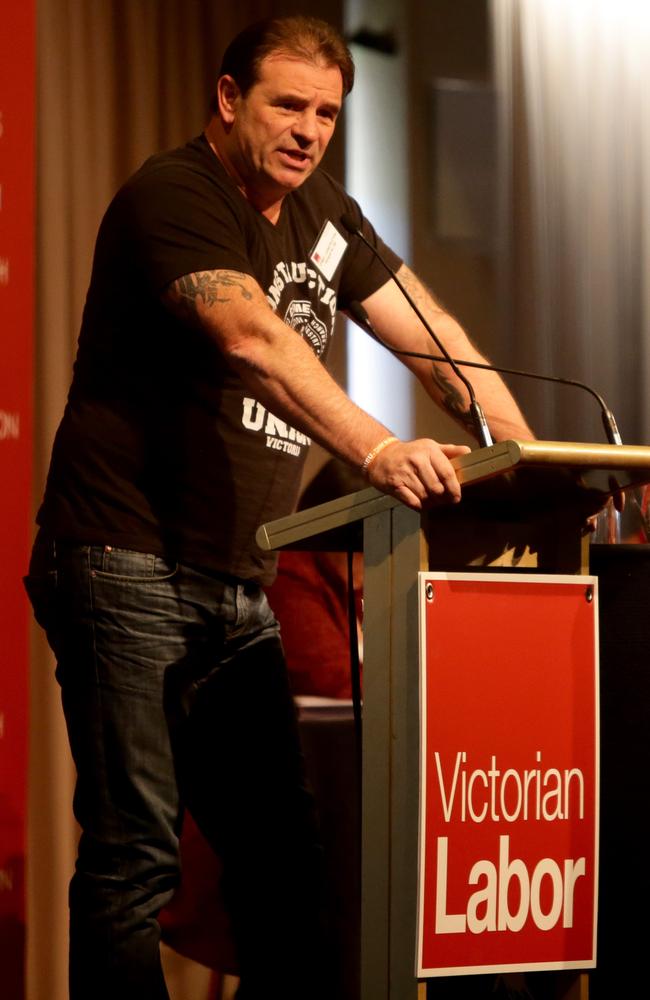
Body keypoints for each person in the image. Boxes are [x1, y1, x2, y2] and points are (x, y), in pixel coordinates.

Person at [25, 15, 534, 1000]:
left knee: (282, 870)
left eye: (326, 114)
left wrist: (522, 461)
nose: (308, 130)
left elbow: (430, 339)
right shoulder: (172, 193)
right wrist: (379, 447)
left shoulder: (327, 218)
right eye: (286, 105)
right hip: (125, 561)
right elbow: (253, 336)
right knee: (135, 856)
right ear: (227, 101)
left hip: (233, 582)